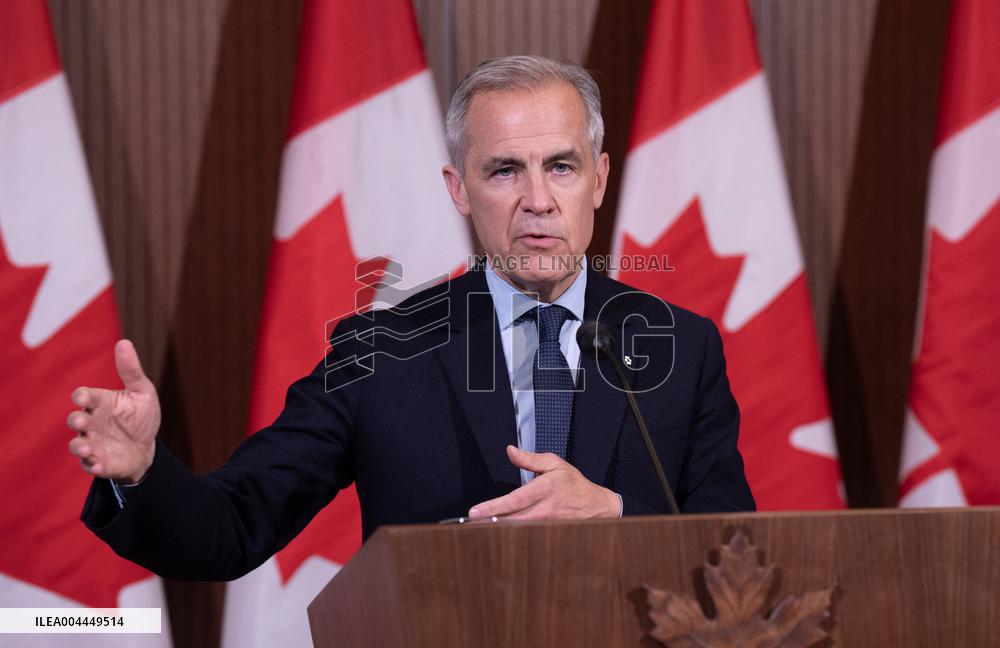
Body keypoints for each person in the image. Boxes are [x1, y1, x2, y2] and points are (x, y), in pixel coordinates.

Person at [67, 56, 754, 581]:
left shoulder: (680, 349)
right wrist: (141, 474)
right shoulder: (380, 349)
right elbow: (234, 524)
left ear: (599, 180)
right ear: (459, 189)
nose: (538, 200)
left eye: (562, 167)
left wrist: (617, 517)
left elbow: (737, 555)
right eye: (506, 171)